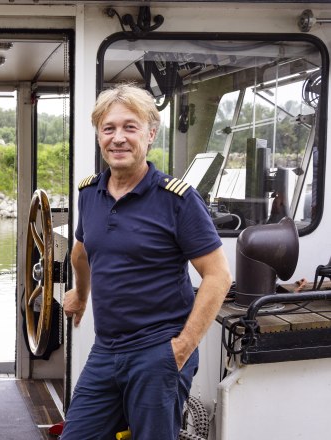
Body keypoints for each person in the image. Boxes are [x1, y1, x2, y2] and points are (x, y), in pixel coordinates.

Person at [60, 83, 231, 440]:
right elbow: (82, 251)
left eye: (130, 127)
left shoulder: (177, 200)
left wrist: (181, 349)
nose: (118, 138)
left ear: (150, 134)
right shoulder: (89, 194)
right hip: (106, 350)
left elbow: (218, 276)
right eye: (108, 128)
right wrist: (80, 294)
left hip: (158, 352)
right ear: (99, 136)